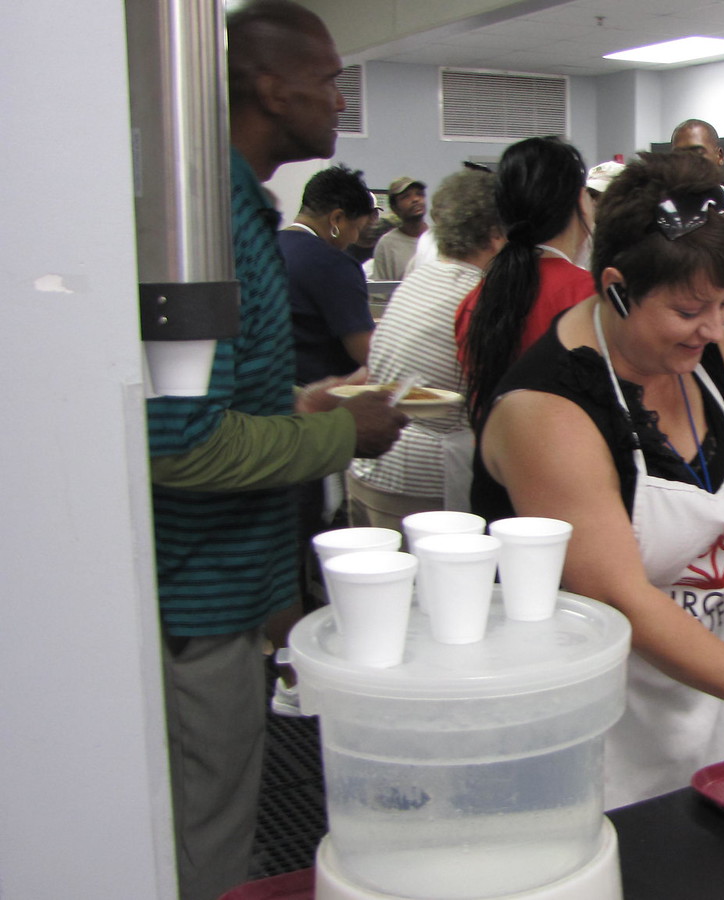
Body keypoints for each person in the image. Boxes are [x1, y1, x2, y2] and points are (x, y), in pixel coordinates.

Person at [471, 151, 724, 807]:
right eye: (690, 309)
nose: (714, 328)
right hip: (582, 732)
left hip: (698, 703)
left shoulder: (717, 359)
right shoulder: (548, 411)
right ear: (616, 287)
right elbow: (619, 595)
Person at [145, 3, 407, 897]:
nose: (340, 99)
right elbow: (177, 444)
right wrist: (341, 434)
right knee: (206, 839)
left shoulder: (236, 213)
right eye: (328, 79)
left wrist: (303, 405)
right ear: (267, 85)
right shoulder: (205, 219)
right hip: (198, 599)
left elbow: (212, 405)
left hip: (225, 594)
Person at [348, 168, 503, 529]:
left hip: (372, 464)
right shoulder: (476, 296)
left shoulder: (419, 278)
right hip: (418, 482)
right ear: (496, 235)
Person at [457, 137, 595, 427]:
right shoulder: (592, 298)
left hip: (494, 449)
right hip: (572, 450)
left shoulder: (477, 299)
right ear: (581, 201)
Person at [278, 164, 377, 385]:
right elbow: (368, 353)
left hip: (276, 385)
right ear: (337, 219)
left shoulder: (268, 245)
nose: (354, 239)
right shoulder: (333, 263)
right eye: (357, 229)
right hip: (321, 391)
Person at [371, 176, 427, 279]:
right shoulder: (387, 245)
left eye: (419, 194)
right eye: (406, 197)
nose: (415, 199)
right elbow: (381, 287)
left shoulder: (440, 238)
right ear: (394, 208)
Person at [671, 118, 724, 199]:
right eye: (679, 154)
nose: (687, 161)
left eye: (697, 153)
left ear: (720, 156)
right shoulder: (664, 204)